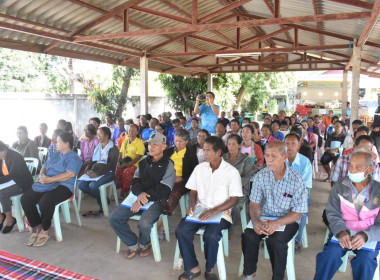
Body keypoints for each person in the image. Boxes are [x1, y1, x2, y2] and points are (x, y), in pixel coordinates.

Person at [176, 136, 242, 280]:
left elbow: (234, 199)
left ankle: (210, 269)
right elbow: (193, 190)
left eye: (208, 151)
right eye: (203, 150)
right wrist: (192, 206)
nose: (204, 153)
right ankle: (193, 266)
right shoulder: (200, 168)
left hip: (221, 212)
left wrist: (214, 211)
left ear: (218, 152)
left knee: (211, 236)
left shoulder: (231, 172)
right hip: (200, 209)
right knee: (181, 230)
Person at [240, 141, 308, 280]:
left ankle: (278, 277)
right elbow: (254, 203)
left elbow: (298, 212)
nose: (269, 159)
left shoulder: (296, 179)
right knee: (249, 235)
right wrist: (256, 221)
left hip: (288, 219)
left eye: (274, 156)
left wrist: (277, 224)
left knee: (275, 241)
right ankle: (249, 273)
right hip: (265, 216)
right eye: (267, 155)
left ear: (284, 157)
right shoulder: (261, 176)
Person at [314, 150, 380, 280]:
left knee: (365, 261)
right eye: (351, 166)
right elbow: (332, 213)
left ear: (370, 169)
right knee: (329, 256)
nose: (353, 170)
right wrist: (341, 232)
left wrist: (366, 235)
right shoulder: (340, 186)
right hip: (344, 231)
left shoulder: (378, 190)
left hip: (369, 236)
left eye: (358, 167)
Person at [109, 133, 176, 259]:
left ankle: (144, 243)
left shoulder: (168, 165)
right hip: (138, 196)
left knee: (144, 222)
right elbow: (135, 182)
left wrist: (143, 199)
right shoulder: (144, 162)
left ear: (164, 147)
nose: (151, 147)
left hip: (157, 200)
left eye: (155, 144)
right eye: (150, 144)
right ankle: (133, 244)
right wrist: (140, 194)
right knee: (114, 218)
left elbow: (164, 190)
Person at [21, 132, 82, 247]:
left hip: (63, 186)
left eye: (58, 142)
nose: (55, 144)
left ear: (66, 143)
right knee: (26, 199)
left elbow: (70, 174)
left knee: (45, 201)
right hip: (47, 182)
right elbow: (45, 165)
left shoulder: (74, 157)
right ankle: (37, 225)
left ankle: (45, 229)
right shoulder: (56, 154)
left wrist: (50, 179)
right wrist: (42, 174)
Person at [79, 127, 119, 216]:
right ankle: (104, 199)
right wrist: (89, 169)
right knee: (81, 185)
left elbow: (111, 167)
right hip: (96, 169)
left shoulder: (113, 149)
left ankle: (102, 206)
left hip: (108, 172)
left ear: (107, 135)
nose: (98, 137)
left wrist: (98, 173)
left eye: (100, 134)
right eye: (98, 135)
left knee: (93, 186)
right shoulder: (98, 147)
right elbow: (93, 161)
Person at [284, 133, 312, 251]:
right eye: (287, 144)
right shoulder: (279, 159)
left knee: (302, 212)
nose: (290, 147)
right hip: (281, 194)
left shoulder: (305, 162)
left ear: (298, 145)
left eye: (293, 144)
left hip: (299, 195)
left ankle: (297, 240)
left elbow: (304, 186)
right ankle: (269, 235)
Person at [0, 141, 34, 234]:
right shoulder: (2, 156)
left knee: (2, 192)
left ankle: (10, 220)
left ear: (4, 149)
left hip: (22, 184)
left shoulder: (15, 156)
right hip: (10, 183)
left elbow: (12, 175)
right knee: (2, 190)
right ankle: (1, 216)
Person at [222, 134, 251, 235]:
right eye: (229, 144)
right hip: (223, 188)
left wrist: (231, 183)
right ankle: (218, 224)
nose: (231, 147)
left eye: (234, 144)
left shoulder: (245, 159)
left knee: (236, 206)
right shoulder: (222, 158)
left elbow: (247, 178)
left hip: (240, 189)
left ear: (239, 145)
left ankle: (230, 229)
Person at [166, 129, 199, 215]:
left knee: (174, 192)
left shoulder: (190, 153)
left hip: (183, 181)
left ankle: (163, 217)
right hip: (168, 178)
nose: (177, 143)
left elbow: (195, 172)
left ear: (186, 141)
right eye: (176, 140)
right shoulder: (169, 151)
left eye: (180, 141)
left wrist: (183, 178)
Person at [116, 124, 145, 196]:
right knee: (117, 170)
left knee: (127, 172)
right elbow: (121, 153)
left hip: (135, 165)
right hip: (125, 162)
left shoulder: (139, 143)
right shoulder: (125, 141)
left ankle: (124, 191)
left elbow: (138, 157)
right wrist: (119, 162)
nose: (130, 132)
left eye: (132, 131)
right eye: (129, 130)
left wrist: (128, 164)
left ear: (137, 132)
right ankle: (120, 186)